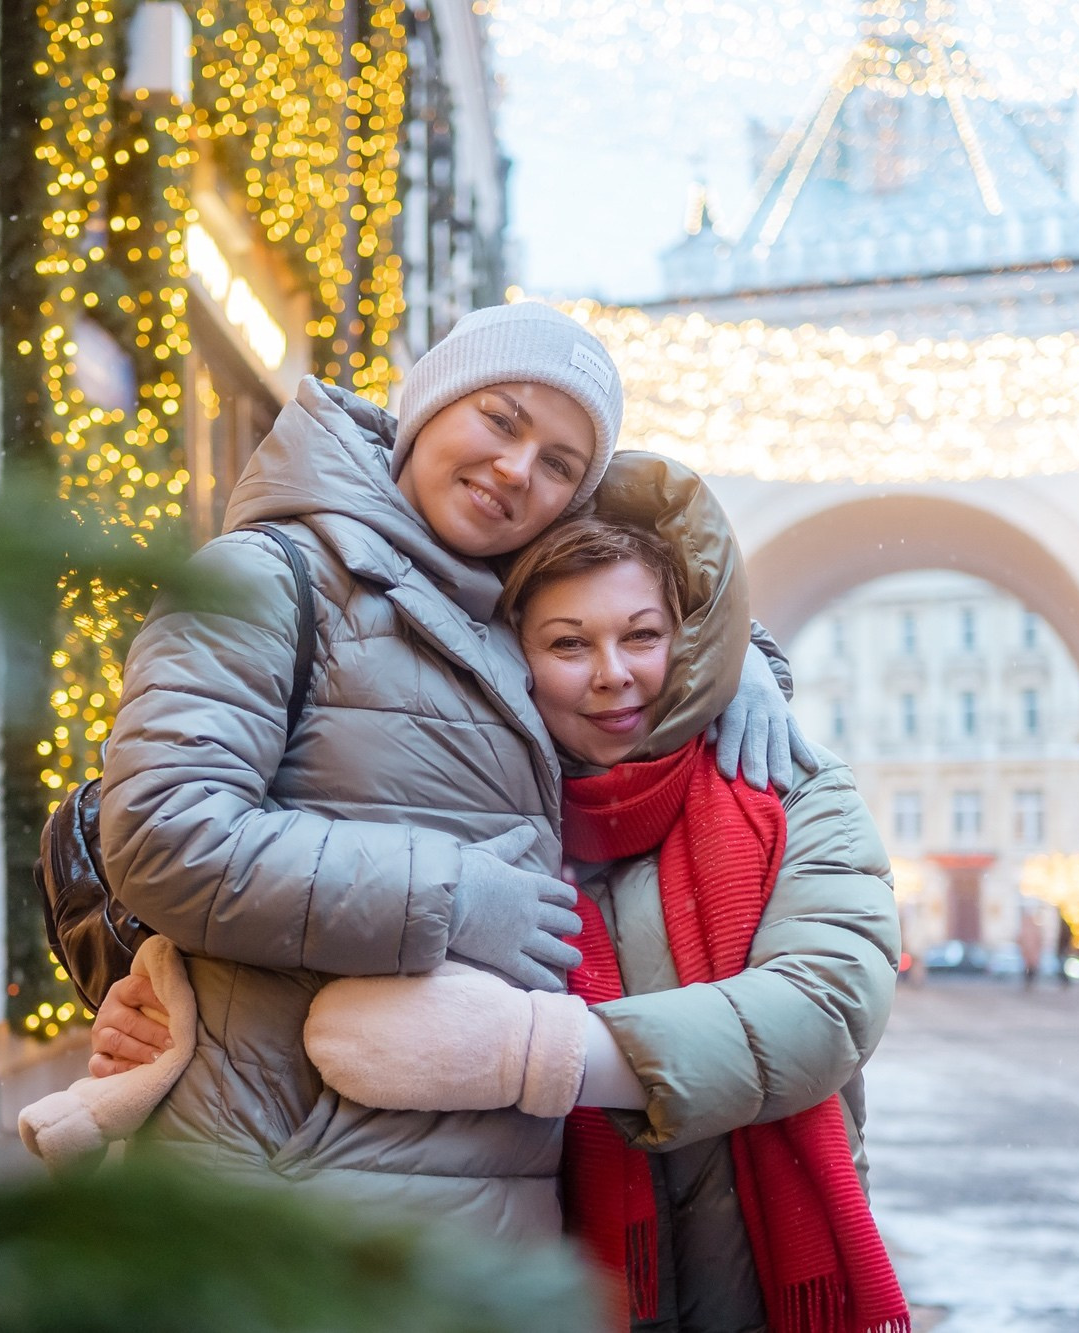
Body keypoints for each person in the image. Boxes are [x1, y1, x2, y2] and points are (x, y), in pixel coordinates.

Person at [72, 305, 808, 1245]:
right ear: (425, 406)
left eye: (559, 465)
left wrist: (734, 664)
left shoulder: (504, 609)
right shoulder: (270, 576)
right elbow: (164, 835)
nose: (515, 471)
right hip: (288, 1201)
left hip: (488, 1219)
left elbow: (634, 614)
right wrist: (448, 897)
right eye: (500, 420)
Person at [299, 469, 910, 1333]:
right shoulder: (473, 804)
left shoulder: (786, 785)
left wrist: (545, 1051)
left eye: (642, 635)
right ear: (514, 653)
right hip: (533, 1279)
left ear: (687, 642)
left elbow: (826, 1007)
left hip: (753, 1282)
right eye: (569, 643)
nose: (613, 675)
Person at [1017, 906, 1045, 990]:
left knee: (1031, 969)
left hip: (1031, 954)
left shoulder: (1033, 929)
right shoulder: (1027, 929)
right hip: (1028, 954)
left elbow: (1039, 941)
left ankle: (1030, 983)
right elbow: (1020, 940)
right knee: (1028, 969)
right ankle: (1028, 983)